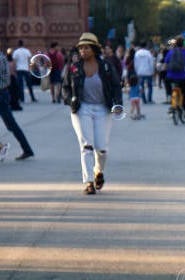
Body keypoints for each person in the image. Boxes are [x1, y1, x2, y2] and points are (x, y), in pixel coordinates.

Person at [62, 32, 122, 195]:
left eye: (86, 47)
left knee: (102, 149)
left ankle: (98, 171)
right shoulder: (74, 67)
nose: (83, 51)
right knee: (86, 145)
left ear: (94, 49)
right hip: (82, 109)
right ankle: (88, 181)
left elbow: (117, 85)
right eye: (81, 48)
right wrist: (70, 101)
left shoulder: (106, 66)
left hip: (103, 109)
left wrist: (117, 104)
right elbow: (65, 88)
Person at [164, 37, 185, 118]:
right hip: (181, 76)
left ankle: (169, 97)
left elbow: (165, 66)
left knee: (168, 84)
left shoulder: (170, 52)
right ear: (183, 44)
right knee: (184, 93)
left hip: (170, 76)